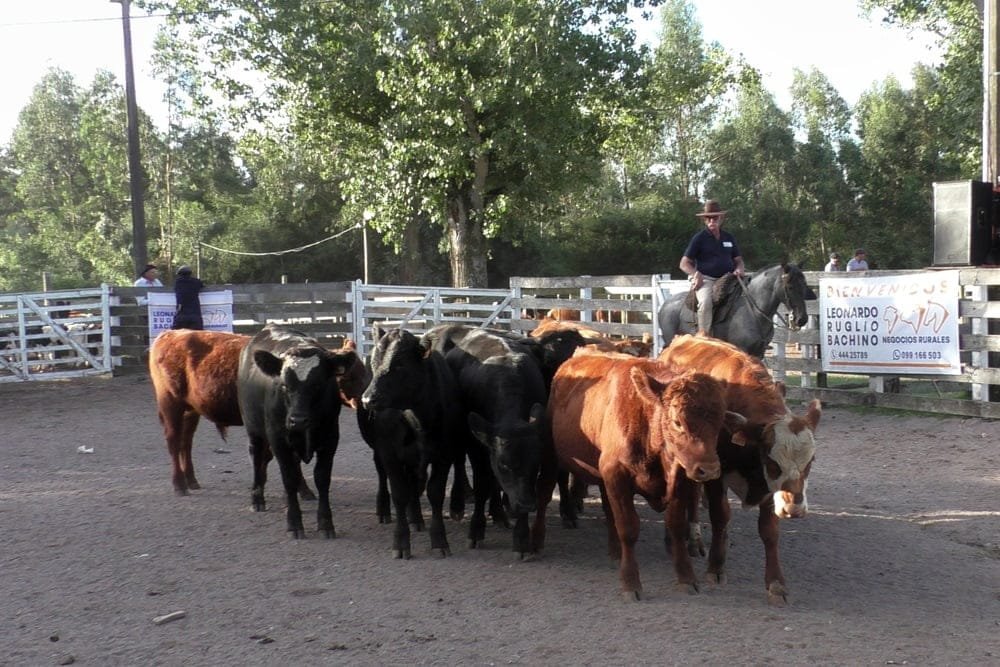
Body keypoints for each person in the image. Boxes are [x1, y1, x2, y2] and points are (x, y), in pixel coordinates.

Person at [679, 199, 745, 337]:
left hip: (729, 278)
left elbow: (738, 260)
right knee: (705, 302)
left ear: (721, 218)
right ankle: (705, 337)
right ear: (704, 220)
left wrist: (739, 269)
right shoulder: (699, 238)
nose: (711, 221)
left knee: (747, 296)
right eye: (708, 218)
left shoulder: (729, 237)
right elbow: (684, 263)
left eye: (714, 218)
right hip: (706, 279)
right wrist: (696, 274)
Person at [172, 265, 205, 330]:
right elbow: (202, 285)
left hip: (182, 314)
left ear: (179, 274)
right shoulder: (196, 281)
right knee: (196, 335)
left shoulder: (178, 282)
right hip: (195, 313)